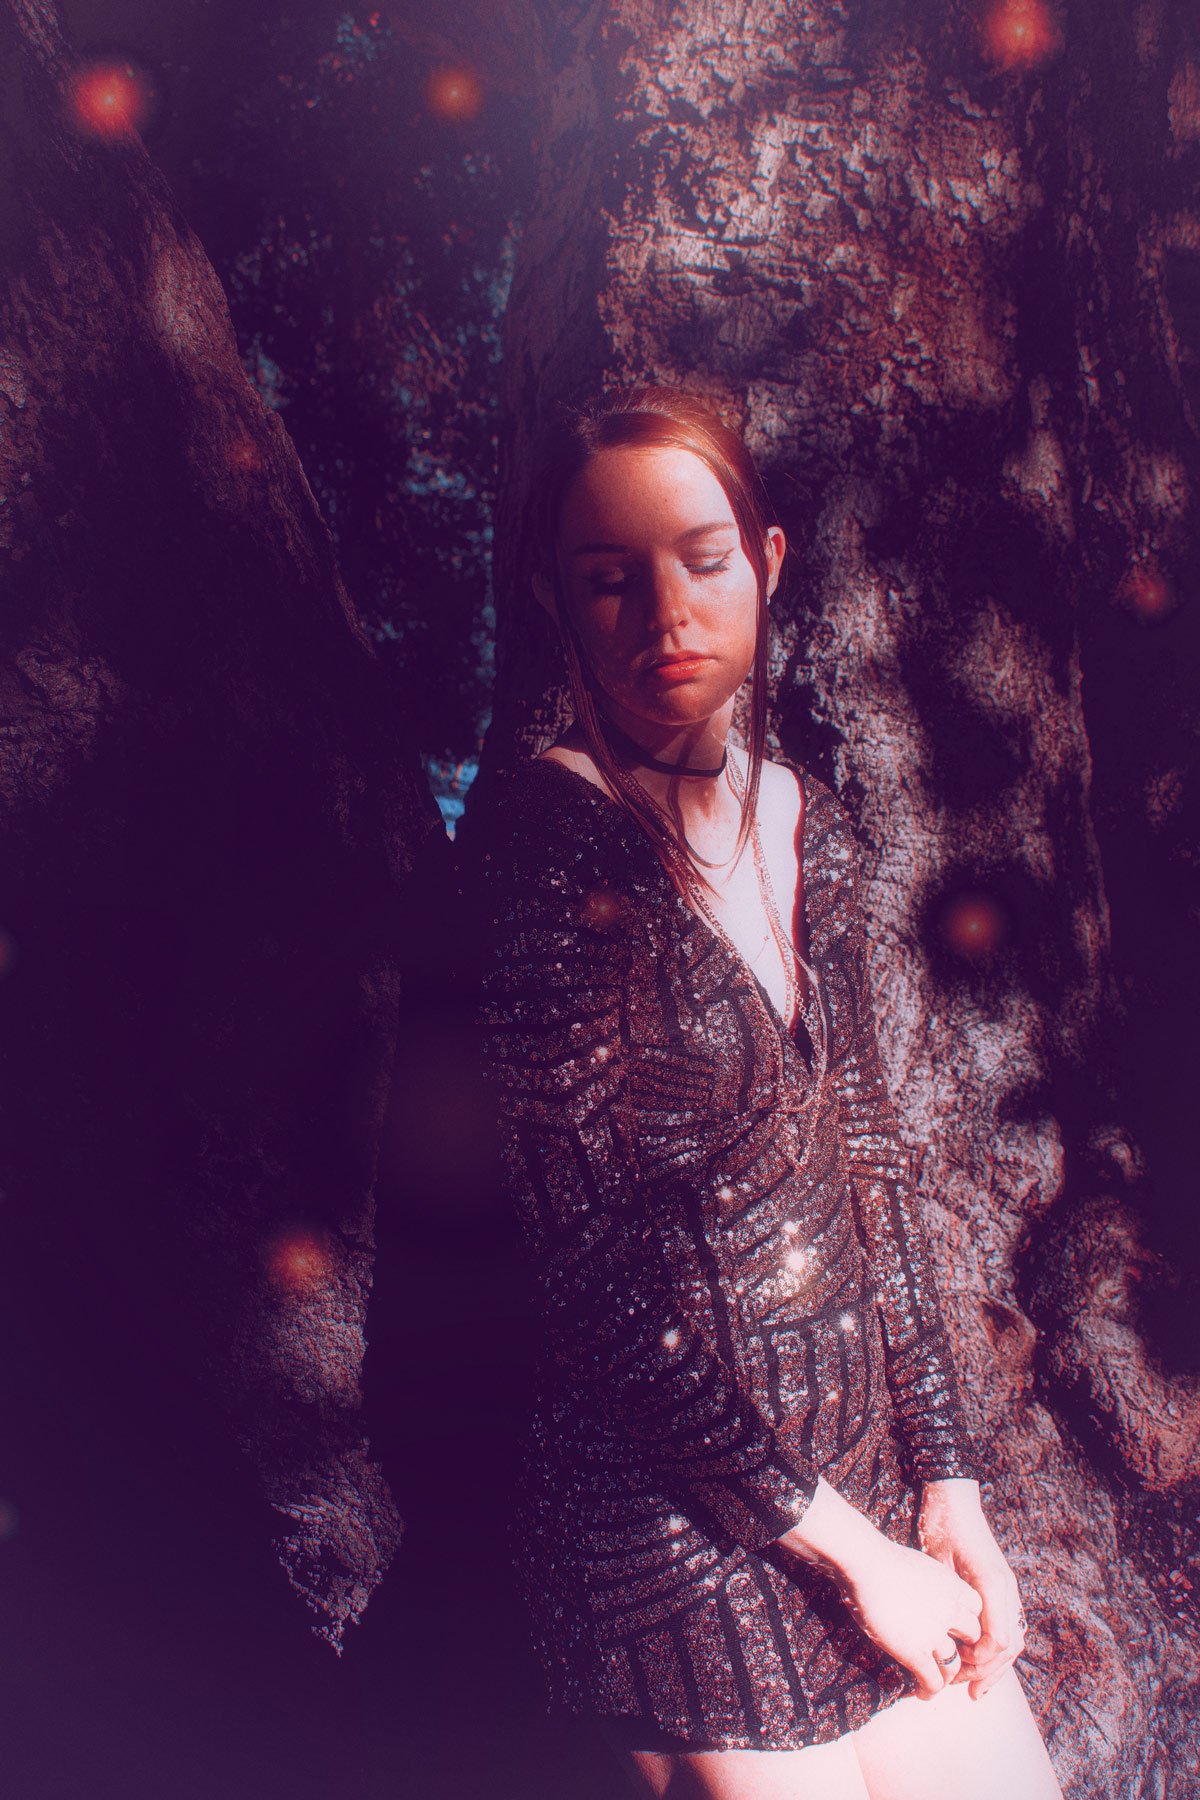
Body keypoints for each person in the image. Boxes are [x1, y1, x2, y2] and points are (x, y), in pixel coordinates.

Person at [457, 385, 1062, 1799]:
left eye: (702, 558)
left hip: (864, 1471)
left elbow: (873, 1166)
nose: (664, 612)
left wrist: (952, 1488)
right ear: (560, 603)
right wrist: (855, 1563)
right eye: (611, 580)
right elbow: (591, 1281)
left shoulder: (809, 820)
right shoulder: (543, 853)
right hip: (665, 1533)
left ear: (768, 562)